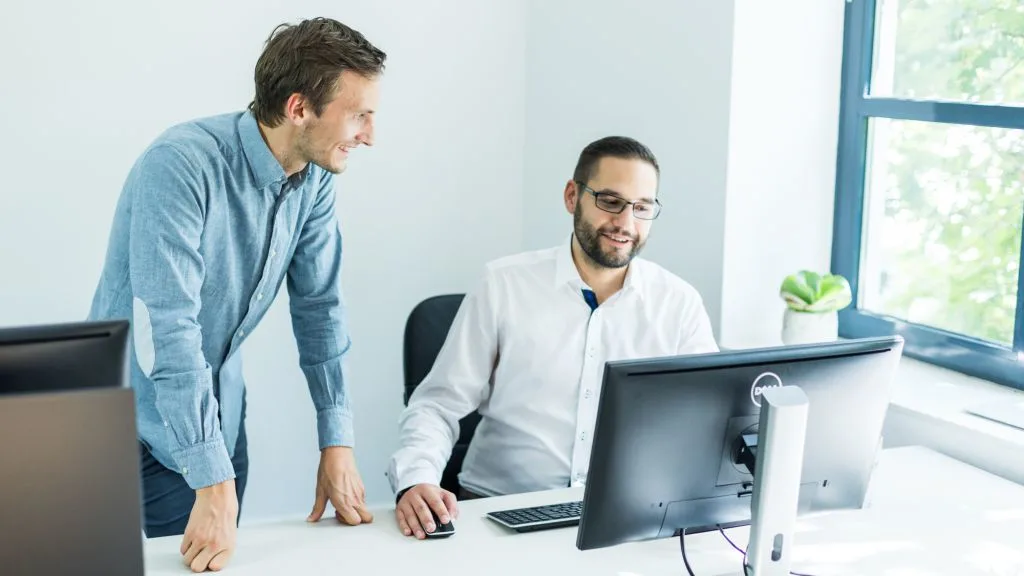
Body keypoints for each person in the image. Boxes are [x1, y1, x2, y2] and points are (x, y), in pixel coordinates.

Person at [88, 17, 385, 572]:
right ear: (299, 109)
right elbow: (169, 332)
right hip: (144, 417)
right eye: (358, 115)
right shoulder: (179, 166)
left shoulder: (315, 178)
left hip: (220, 407)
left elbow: (319, 307)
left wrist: (336, 439)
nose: (369, 134)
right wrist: (210, 474)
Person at [387, 136, 720, 539]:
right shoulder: (503, 284)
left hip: (624, 523)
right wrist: (417, 478)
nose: (625, 223)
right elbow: (436, 406)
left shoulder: (679, 304)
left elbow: (708, 427)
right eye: (610, 201)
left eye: (642, 207)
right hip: (497, 513)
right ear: (571, 196)